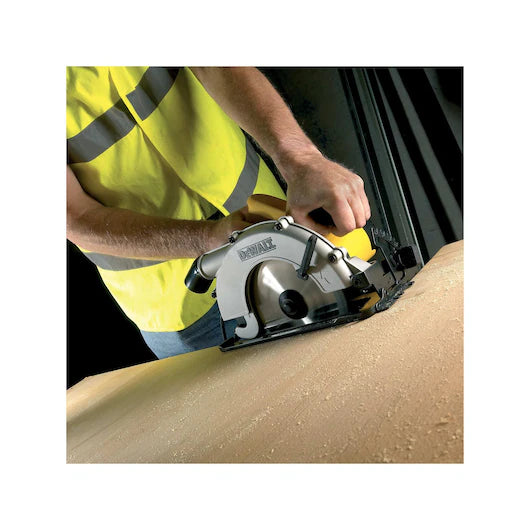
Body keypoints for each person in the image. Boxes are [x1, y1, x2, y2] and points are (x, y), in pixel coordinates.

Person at [66, 67, 371, 358]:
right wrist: (206, 238)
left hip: (275, 236)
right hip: (179, 305)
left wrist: (301, 157)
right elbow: (74, 218)